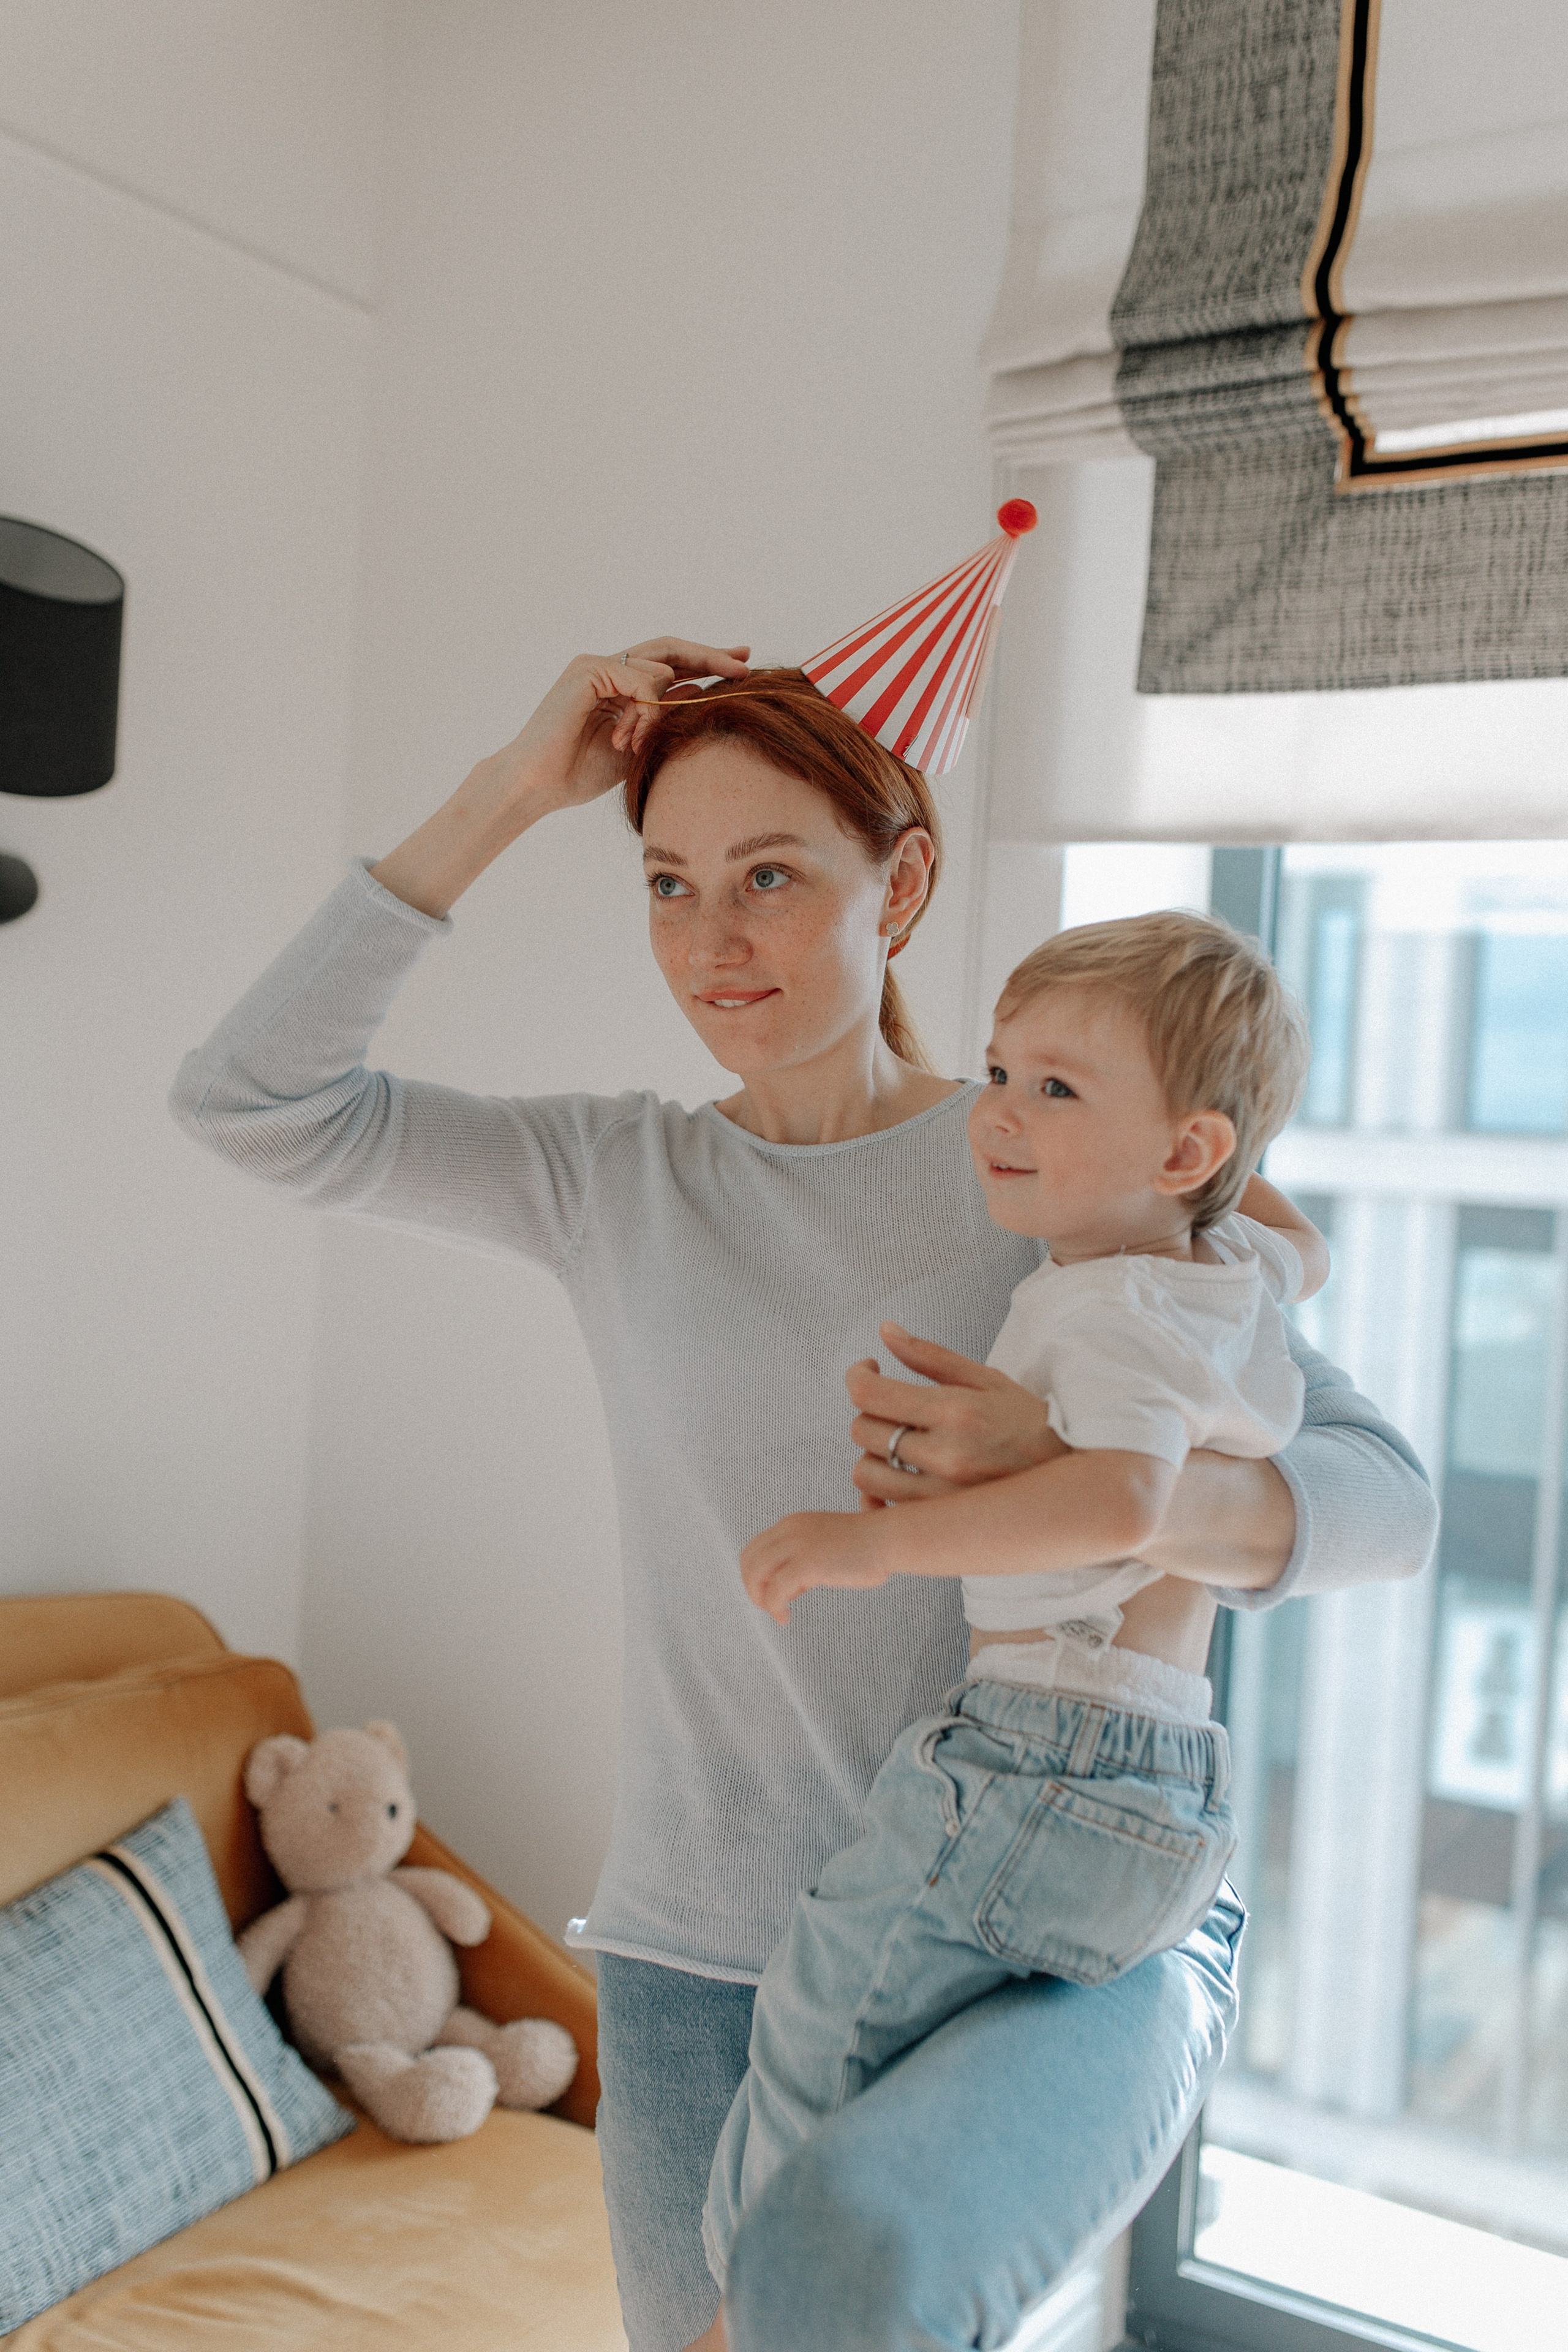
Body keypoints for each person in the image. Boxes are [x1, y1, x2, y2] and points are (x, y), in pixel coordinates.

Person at [170, 640, 1437, 2352]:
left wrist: (1097, 1489)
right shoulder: (613, 1176)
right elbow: (249, 1102)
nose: (714, 940)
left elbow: (1382, 1503)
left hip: (1043, 1946)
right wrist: (511, 791)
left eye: (772, 877)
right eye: (670, 884)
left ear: (900, 884)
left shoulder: (1042, 1148)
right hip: (706, 1962)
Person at [692, 911, 1324, 2340]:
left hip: (1035, 1756)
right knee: (914, 2045)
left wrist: (880, 1542)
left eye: (1055, 1089)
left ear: (1180, 1150)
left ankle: (737, 2316)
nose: (997, 1114)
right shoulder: (1228, 1278)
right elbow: (1305, 1243)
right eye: (996, 1070)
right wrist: (1211, 1169)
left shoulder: (1104, 1313)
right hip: (1163, 1793)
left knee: (823, 2021)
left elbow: (1115, 1501)